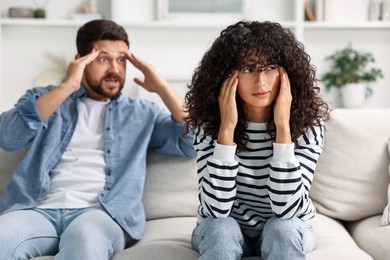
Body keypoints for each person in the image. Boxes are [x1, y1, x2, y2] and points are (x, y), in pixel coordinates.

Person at [0, 19, 195, 259]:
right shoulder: (45, 99)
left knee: (86, 243)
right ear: (80, 60)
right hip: (36, 210)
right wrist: (68, 85)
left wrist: (163, 88)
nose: (114, 69)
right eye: (103, 59)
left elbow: (193, 143)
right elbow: (8, 138)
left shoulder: (143, 114)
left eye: (121, 60)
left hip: (101, 214)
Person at [185, 20, 330, 260]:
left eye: (270, 67)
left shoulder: (308, 127)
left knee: (281, 229)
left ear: (287, 73)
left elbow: (288, 211)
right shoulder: (208, 127)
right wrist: (226, 131)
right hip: (223, 227)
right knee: (222, 230)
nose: (261, 81)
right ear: (226, 77)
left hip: (286, 228)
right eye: (248, 69)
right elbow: (215, 210)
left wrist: (283, 129)